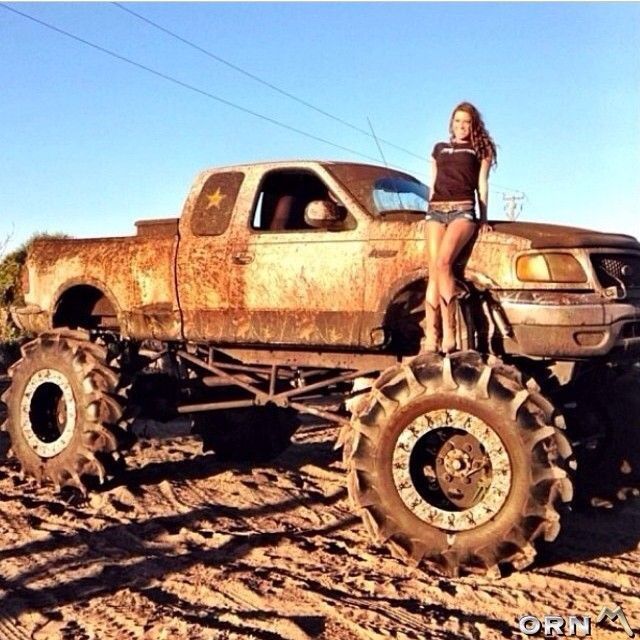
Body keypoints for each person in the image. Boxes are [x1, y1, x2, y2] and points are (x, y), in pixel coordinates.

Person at [422, 101, 497, 353]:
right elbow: (433, 184)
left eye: (466, 121)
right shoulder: (439, 149)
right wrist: (427, 209)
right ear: (451, 123)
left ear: (473, 124)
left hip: (462, 210)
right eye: (457, 121)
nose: (461, 126)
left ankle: (450, 333)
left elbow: (482, 185)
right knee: (433, 269)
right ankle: (431, 337)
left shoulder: (480, 149)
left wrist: (484, 218)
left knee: (444, 262)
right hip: (436, 210)